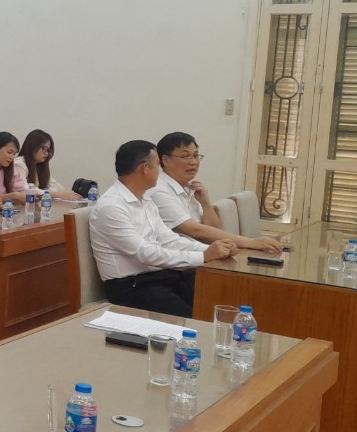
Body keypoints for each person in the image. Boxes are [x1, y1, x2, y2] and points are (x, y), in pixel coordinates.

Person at [90, 140, 238, 318]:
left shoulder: (145, 199)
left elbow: (168, 239)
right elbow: (145, 253)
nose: (160, 173)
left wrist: (214, 250)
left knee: (217, 292)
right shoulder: (112, 207)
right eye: (157, 166)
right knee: (192, 318)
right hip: (131, 286)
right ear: (145, 168)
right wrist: (203, 256)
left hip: (160, 276)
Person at [147, 132, 283, 254]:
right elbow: (194, 230)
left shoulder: (190, 188)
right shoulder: (158, 190)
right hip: (177, 260)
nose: (193, 162)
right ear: (165, 160)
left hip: (201, 254)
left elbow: (212, 230)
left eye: (196, 156)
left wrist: (205, 203)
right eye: (185, 156)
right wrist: (251, 242)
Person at [15, 129, 83, 200]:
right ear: (33, 146)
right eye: (44, 149)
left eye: (48, 150)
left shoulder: (38, 166)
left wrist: (68, 195)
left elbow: (57, 187)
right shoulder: (19, 163)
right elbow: (25, 190)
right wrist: (57, 194)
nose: (47, 153)